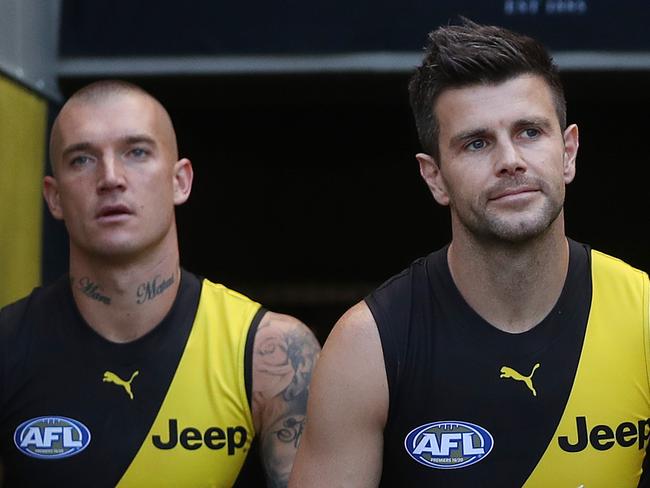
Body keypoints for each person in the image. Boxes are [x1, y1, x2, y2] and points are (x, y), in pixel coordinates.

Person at [289, 18, 650, 487]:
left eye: (529, 133)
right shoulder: (367, 346)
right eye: (476, 143)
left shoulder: (643, 314)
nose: (510, 160)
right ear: (434, 176)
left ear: (568, 152)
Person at [0, 80, 320, 487]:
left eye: (136, 152)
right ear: (54, 197)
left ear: (180, 181)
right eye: (81, 159)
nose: (111, 178)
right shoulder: (8, 348)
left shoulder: (268, 353)